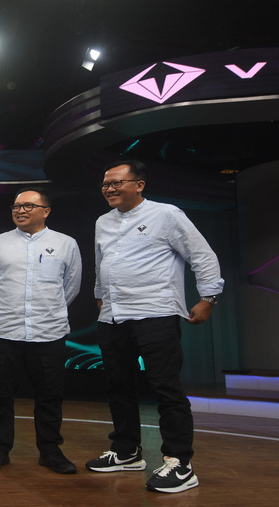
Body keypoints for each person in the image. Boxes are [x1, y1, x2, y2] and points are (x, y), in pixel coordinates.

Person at [86, 160, 224, 494]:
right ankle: (127, 451)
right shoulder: (103, 221)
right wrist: (100, 297)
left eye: (117, 183)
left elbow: (202, 256)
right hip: (113, 317)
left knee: (166, 388)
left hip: (156, 313)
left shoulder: (167, 214)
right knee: (118, 386)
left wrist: (208, 297)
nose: (109, 189)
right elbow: (101, 262)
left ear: (139, 185)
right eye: (105, 184)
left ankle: (180, 463)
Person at [0, 187, 82, 474]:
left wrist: (47, 309)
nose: (20, 210)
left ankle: (50, 451)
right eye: (16, 206)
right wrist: (8, 307)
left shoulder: (66, 243)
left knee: (50, 396)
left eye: (28, 206)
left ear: (46, 211)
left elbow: (71, 287)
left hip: (49, 332)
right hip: (4, 330)